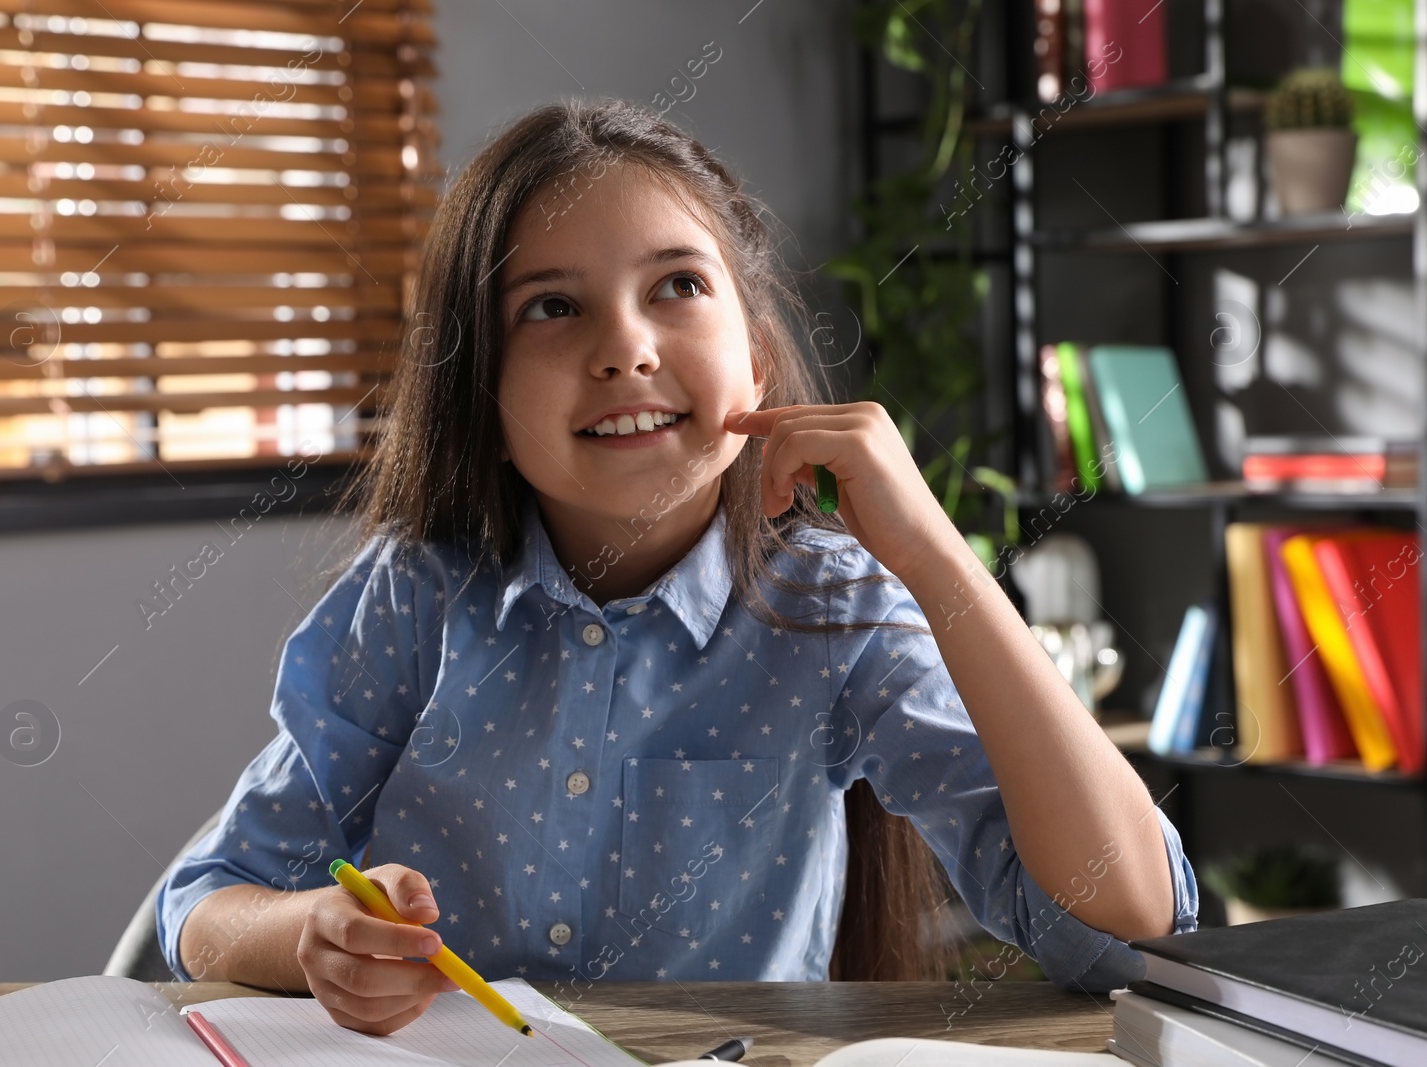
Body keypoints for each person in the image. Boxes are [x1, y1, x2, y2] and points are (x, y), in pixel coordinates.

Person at [158, 98, 1198, 1036]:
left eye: (677, 286)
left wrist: (935, 553)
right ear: (480, 387)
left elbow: (1120, 923)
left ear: (753, 352)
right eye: (551, 307)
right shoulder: (413, 594)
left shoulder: (833, 607)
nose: (625, 348)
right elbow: (207, 900)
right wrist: (312, 931)